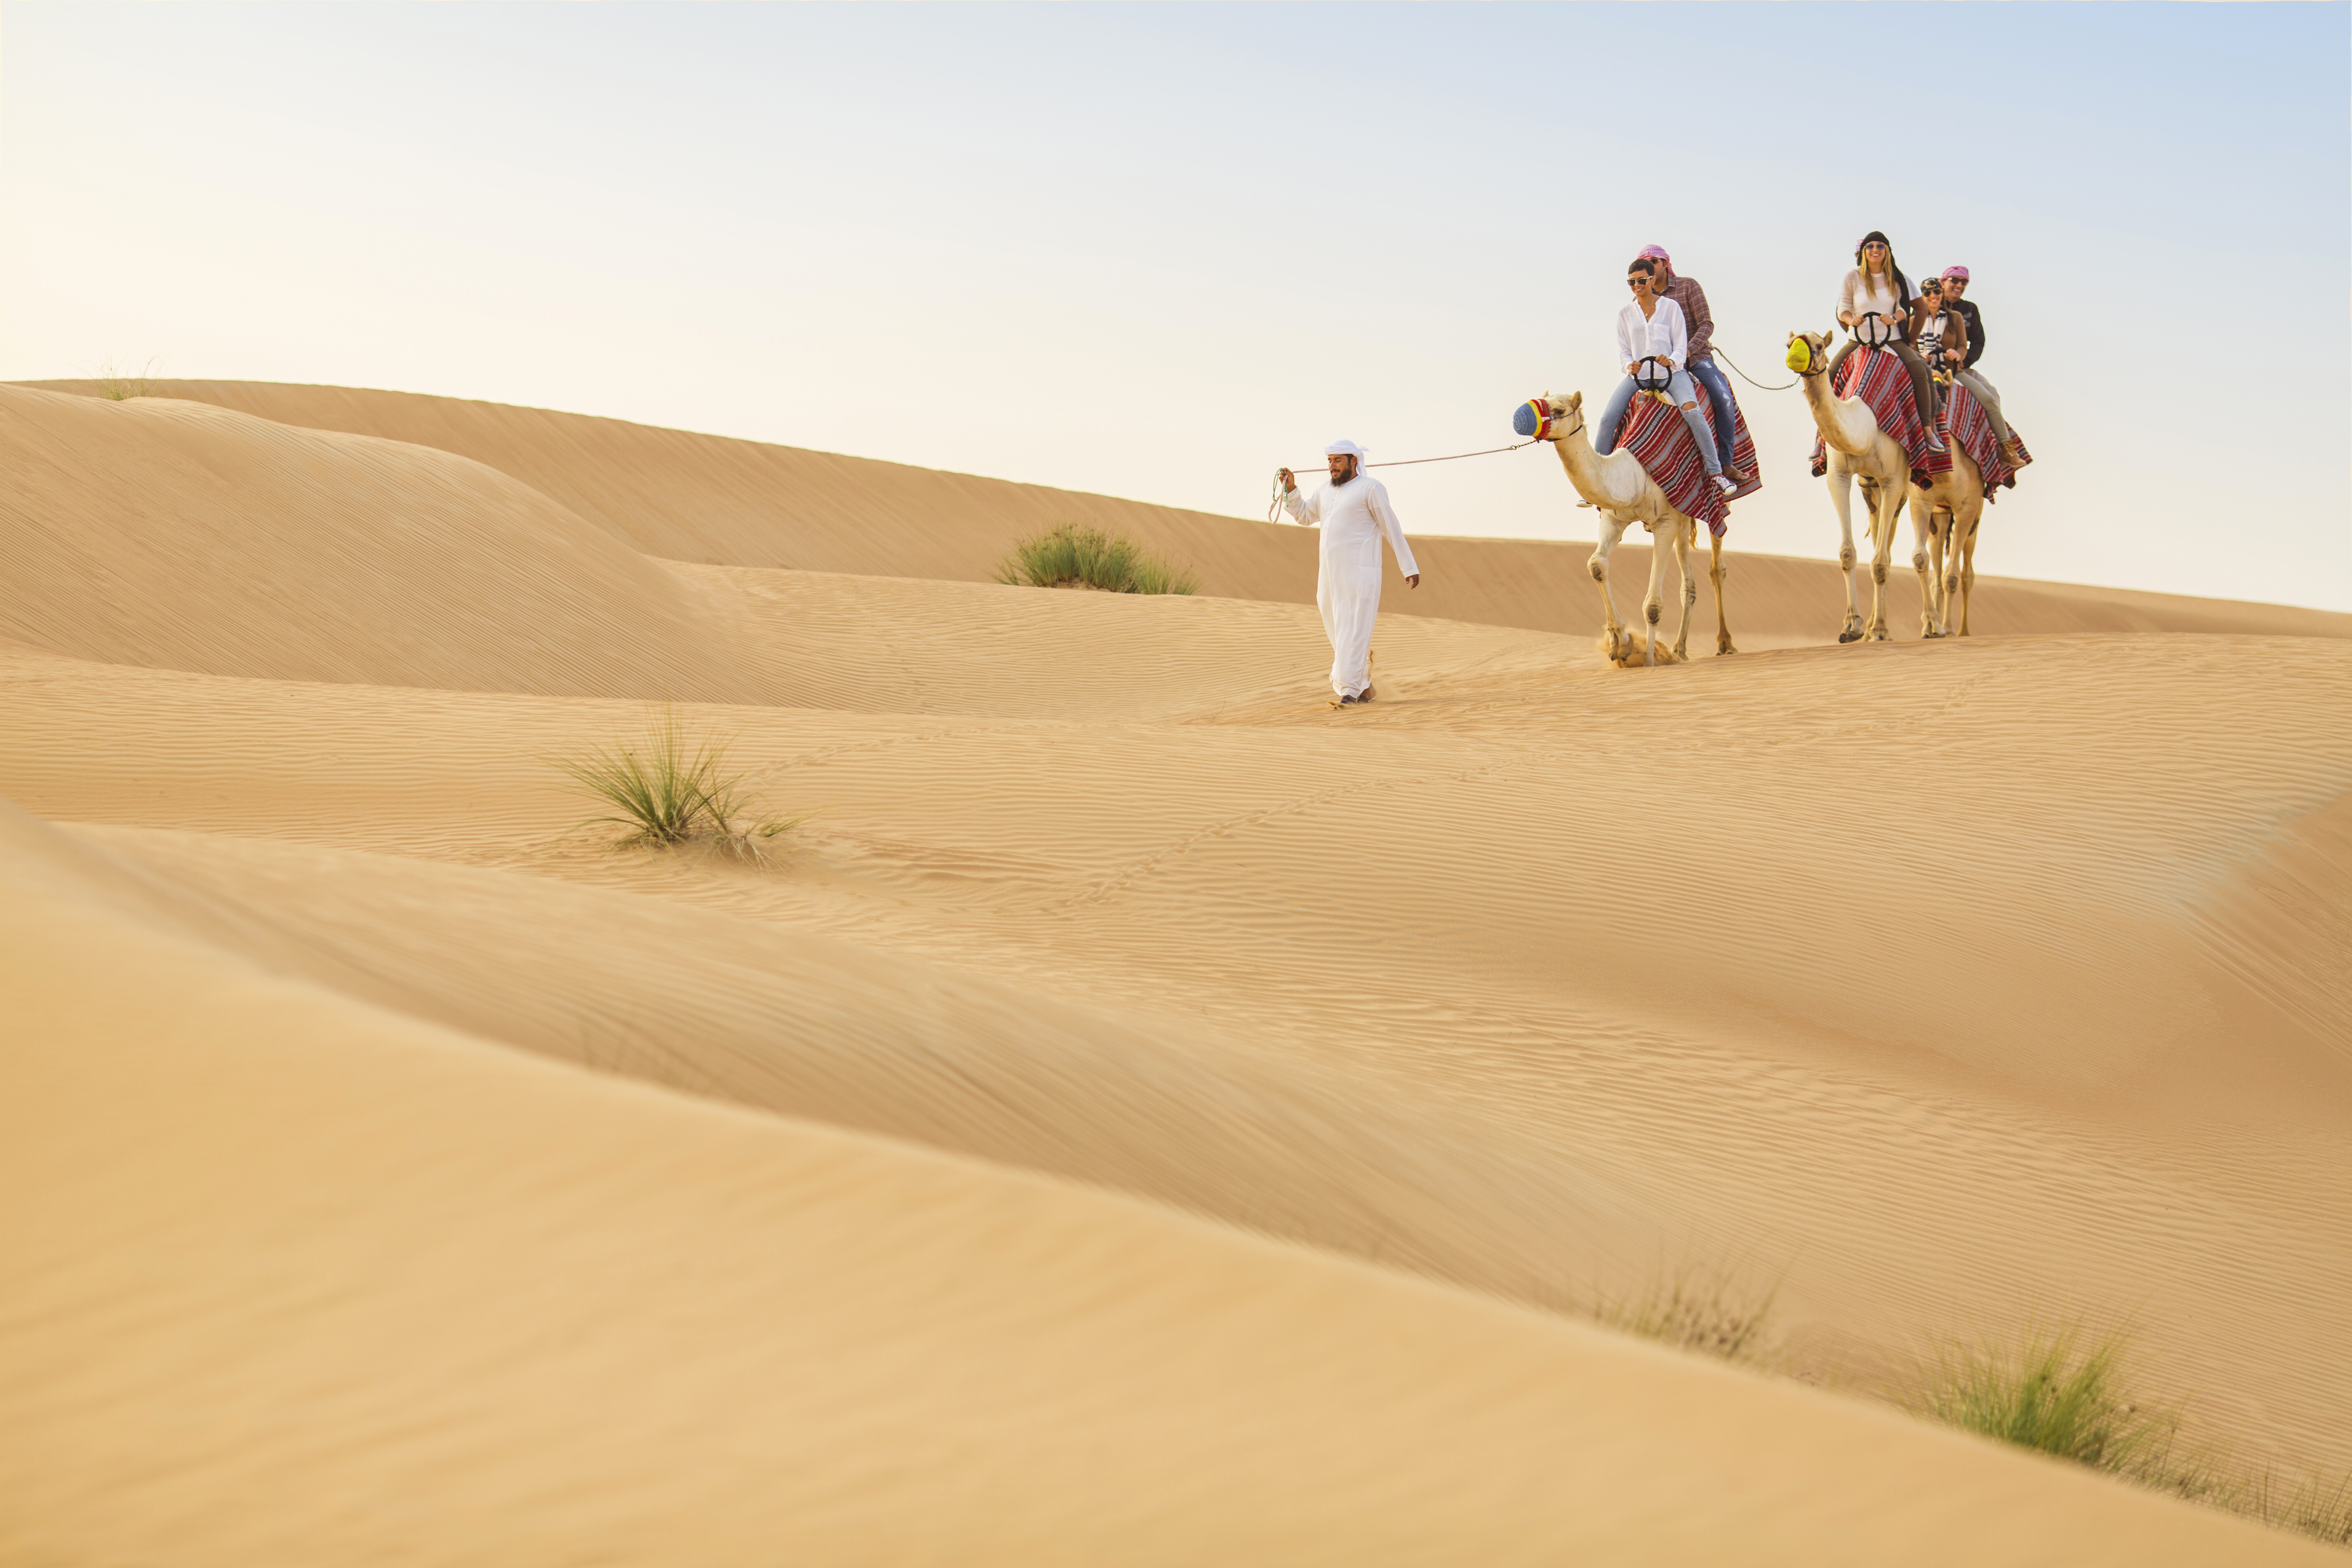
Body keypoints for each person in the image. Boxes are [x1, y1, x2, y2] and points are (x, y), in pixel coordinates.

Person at [1275, 441, 1421, 705]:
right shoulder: (1324, 491)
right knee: (1337, 629)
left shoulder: (1371, 489)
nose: (1332, 466)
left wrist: (1409, 566)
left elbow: (1391, 526)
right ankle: (1364, 685)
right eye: (1330, 461)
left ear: (1354, 461)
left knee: (1353, 629)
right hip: (1330, 576)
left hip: (1361, 574)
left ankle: (1349, 691)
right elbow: (1305, 516)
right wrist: (1292, 489)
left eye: (1338, 461)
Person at [1595, 258, 1738, 496]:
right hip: (1638, 377)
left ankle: (1717, 474)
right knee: (1607, 420)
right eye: (1632, 282)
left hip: (1671, 374)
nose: (1637, 286)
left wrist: (1671, 360)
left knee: (1693, 411)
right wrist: (1629, 365)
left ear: (1652, 279)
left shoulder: (1671, 308)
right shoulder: (1625, 314)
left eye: (1642, 280)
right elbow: (1624, 350)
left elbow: (1681, 345)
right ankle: (1598, 482)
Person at [1638, 243, 1748, 483]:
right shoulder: (1644, 296)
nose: (1651, 268)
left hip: (1696, 359)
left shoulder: (1688, 286)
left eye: (1654, 262)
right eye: (1646, 265)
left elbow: (1706, 324)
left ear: (1666, 264)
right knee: (1630, 406)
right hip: (1661, 366)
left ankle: (1726, 463)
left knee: (1724, 399)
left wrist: (1686, 352)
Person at [1829, 231, 1942, 448]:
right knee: (1829, 374)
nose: (1875, 250)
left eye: (1880, 246)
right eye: (1870, 246)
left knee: (1919, 371)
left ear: (1887, 251)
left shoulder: (1897, 277)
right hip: (1859, 340)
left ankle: (1927, 431)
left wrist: (1898, 324)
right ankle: (1823, 435)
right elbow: (1843, 309)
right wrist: (1851, 320)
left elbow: (1904, 307)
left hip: (1893, 340)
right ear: (1864, 251)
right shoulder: (1852, 276)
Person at [1938, 266, 2022, 463]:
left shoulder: (1968, 311)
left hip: (1958, 368)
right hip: (1929, 367)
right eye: (1955, 280)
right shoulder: (1924, 310)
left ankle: (2003, 448)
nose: (1959, 286)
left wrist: (1964, 361)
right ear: (1942, 282)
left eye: (1964, 282)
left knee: (1990, 397)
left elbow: (1977, 341)